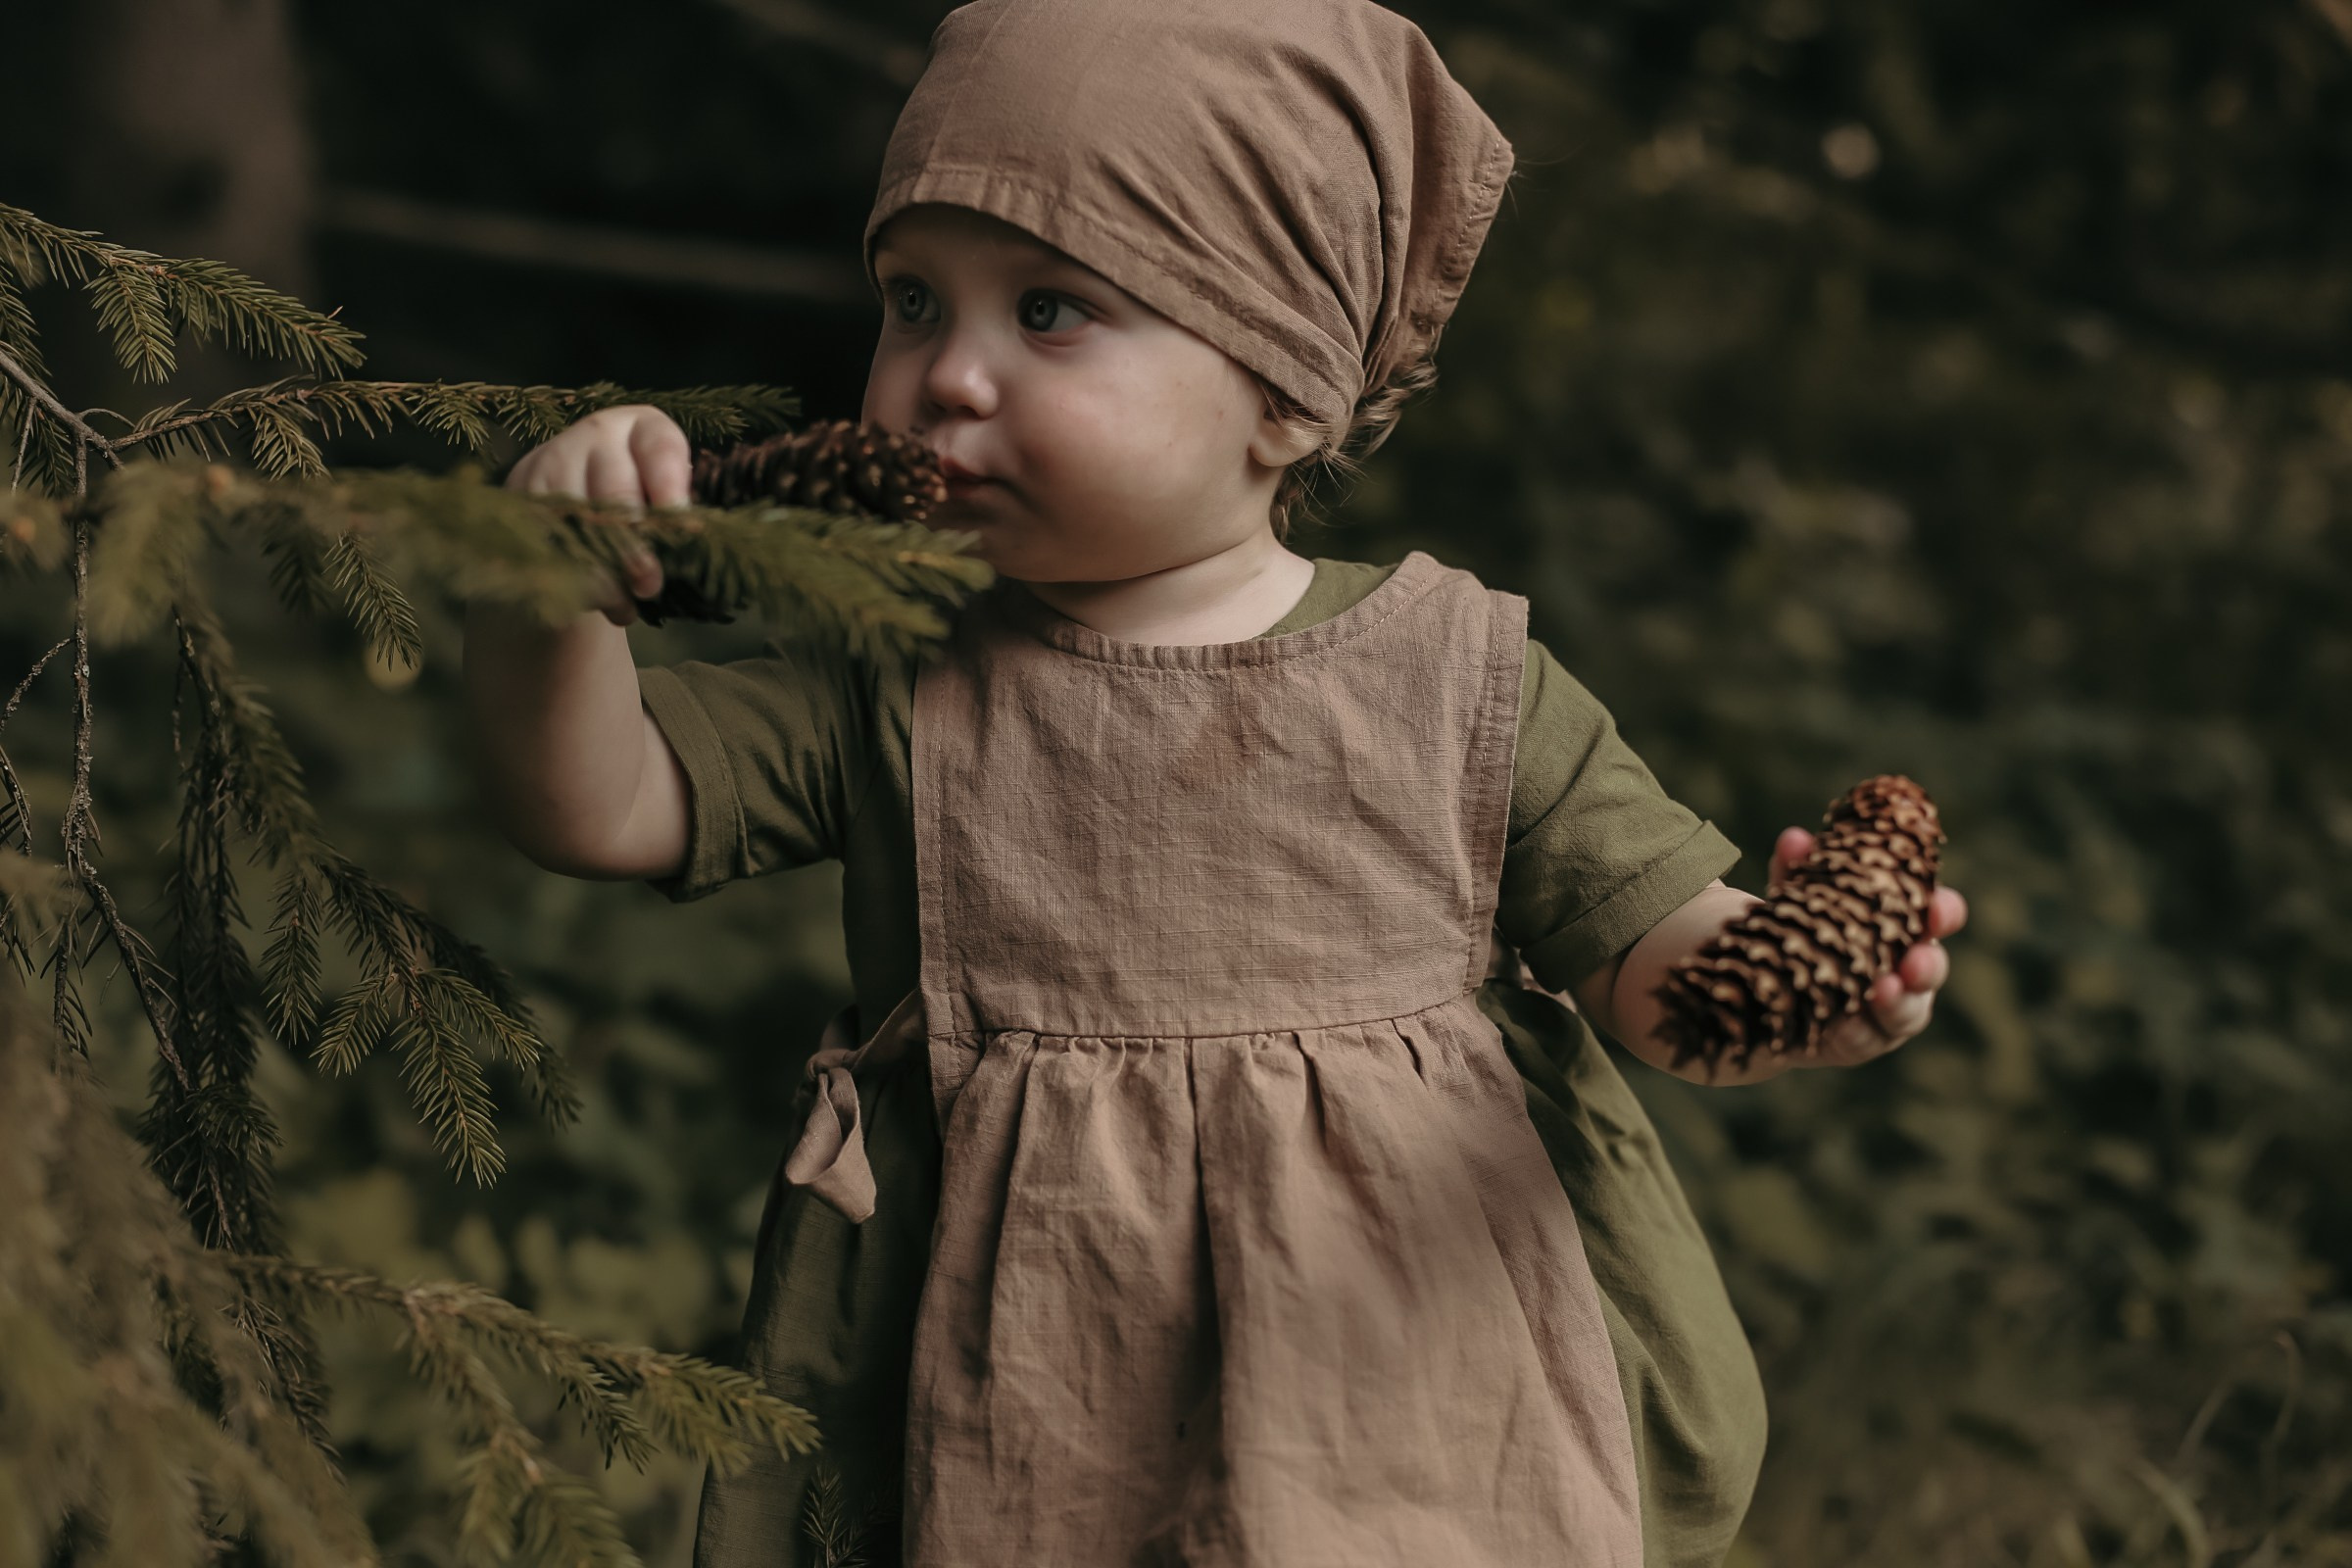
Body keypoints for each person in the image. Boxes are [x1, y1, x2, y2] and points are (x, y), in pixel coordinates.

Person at [462, 2, 1970, 1563]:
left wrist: (1806, 977)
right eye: (913, 302)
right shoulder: (894, 668)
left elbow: (1661, 980)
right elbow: (601, 804)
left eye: (1049, 312)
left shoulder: (1456, 678)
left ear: (1288, 393)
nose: (946, 378)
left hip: (1403, 1402)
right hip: (1024, 1394)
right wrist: (544, 591)